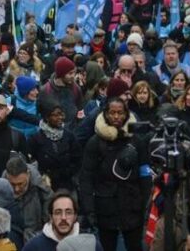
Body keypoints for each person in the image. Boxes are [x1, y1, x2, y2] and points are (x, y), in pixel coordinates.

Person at [79, 97, 151, 251]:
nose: (116, 117)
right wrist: (89, 209)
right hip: (105, 207)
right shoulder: (95, 142)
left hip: (133, 206)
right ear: (105, 114)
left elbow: (145, 175)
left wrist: (146, 203)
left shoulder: (136, 141)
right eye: (112, 113)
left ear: (126, 114)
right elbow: (86, 177)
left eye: (120, 113)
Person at [27, 101, 79, 192]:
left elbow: (77, 160)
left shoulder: (69, 137)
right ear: (47, 117)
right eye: (55, 115)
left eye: (61, 114)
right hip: (45, 187)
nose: (60, 118)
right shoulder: (35, 139)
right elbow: (30, 163)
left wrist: (68, 173)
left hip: (67, 185)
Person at [4, 155, 52, 243]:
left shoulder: (42, 191)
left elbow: (50, 224)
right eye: (12, 184)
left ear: (28, 175)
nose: (16, 189)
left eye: (20, 184)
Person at [39, 58, 83, 130]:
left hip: (72, 129)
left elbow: (80, 108)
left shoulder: (76, 88)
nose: (73, 76)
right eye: (70, 73)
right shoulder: (46, 90)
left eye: (74, 73)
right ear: (61, 74)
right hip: (52, 130)